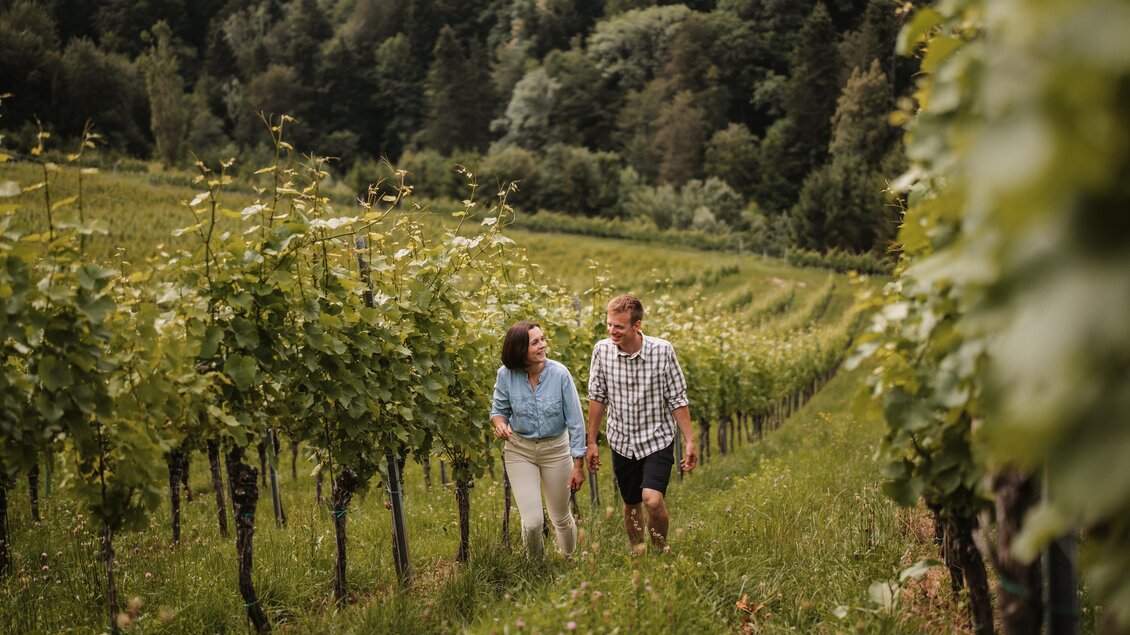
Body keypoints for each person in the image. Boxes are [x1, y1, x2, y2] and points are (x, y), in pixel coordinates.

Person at [586, 294, 697, 549]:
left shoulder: (662, 351)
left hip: (656, 438)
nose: (612, 331)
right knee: (631, 502)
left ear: (637, 325)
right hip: (621, 440)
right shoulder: (601, 351)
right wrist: (591, 442)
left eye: (619, 326)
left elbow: (677, 399)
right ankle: (638, 552)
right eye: (610, 324)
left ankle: (659, 550)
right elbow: (597, 398)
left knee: (653, 500)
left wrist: (690, 440)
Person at [490, 320, 587, 559]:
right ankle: (535, 566)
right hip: (519, 450)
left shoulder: (560, 374)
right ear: (519, 349)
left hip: (556, 450)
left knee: (560, 517)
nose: (543, 345)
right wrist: (500, 425)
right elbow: (498, 411)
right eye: (535, 342)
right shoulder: (506, 375)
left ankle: (568, 561)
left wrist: (578, 465)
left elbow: (576, 422)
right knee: (532, 522)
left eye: (543, 339)